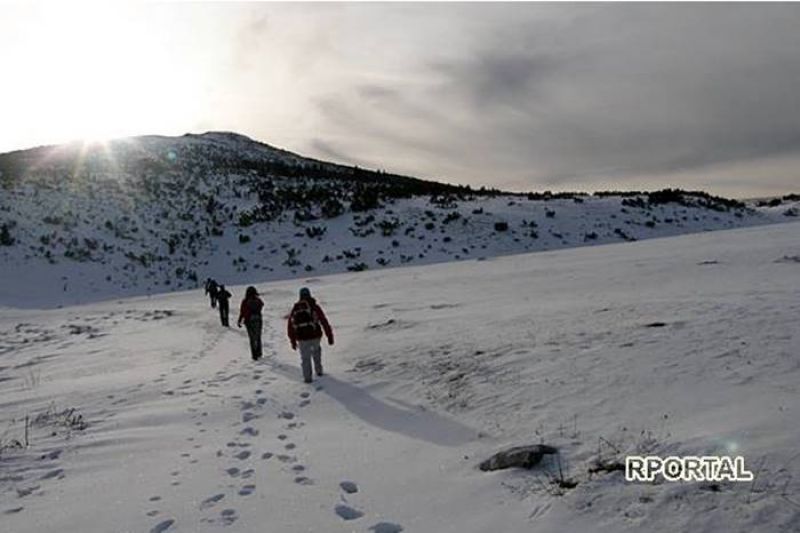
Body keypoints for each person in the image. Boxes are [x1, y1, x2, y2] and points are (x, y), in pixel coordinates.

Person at [287, 287, 334, 383]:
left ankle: (307, 378)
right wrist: (329, 335)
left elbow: (290, 325)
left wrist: (292, 341)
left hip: (301, 338)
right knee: (316, 353)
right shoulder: (314, 306)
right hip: (315, 335)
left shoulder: (296, 308)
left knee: (305, 358)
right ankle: (319, 371)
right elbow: (323, 320)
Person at [237, 286, 264, 360]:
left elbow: (242, 311)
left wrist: (239, 320)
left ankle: (254, 354)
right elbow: (262, 305)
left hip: (249, 321)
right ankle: (259, 352)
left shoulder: (245, 301)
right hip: (258, 319)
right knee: (258, 336)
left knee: (252, 338)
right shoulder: (258, 300)